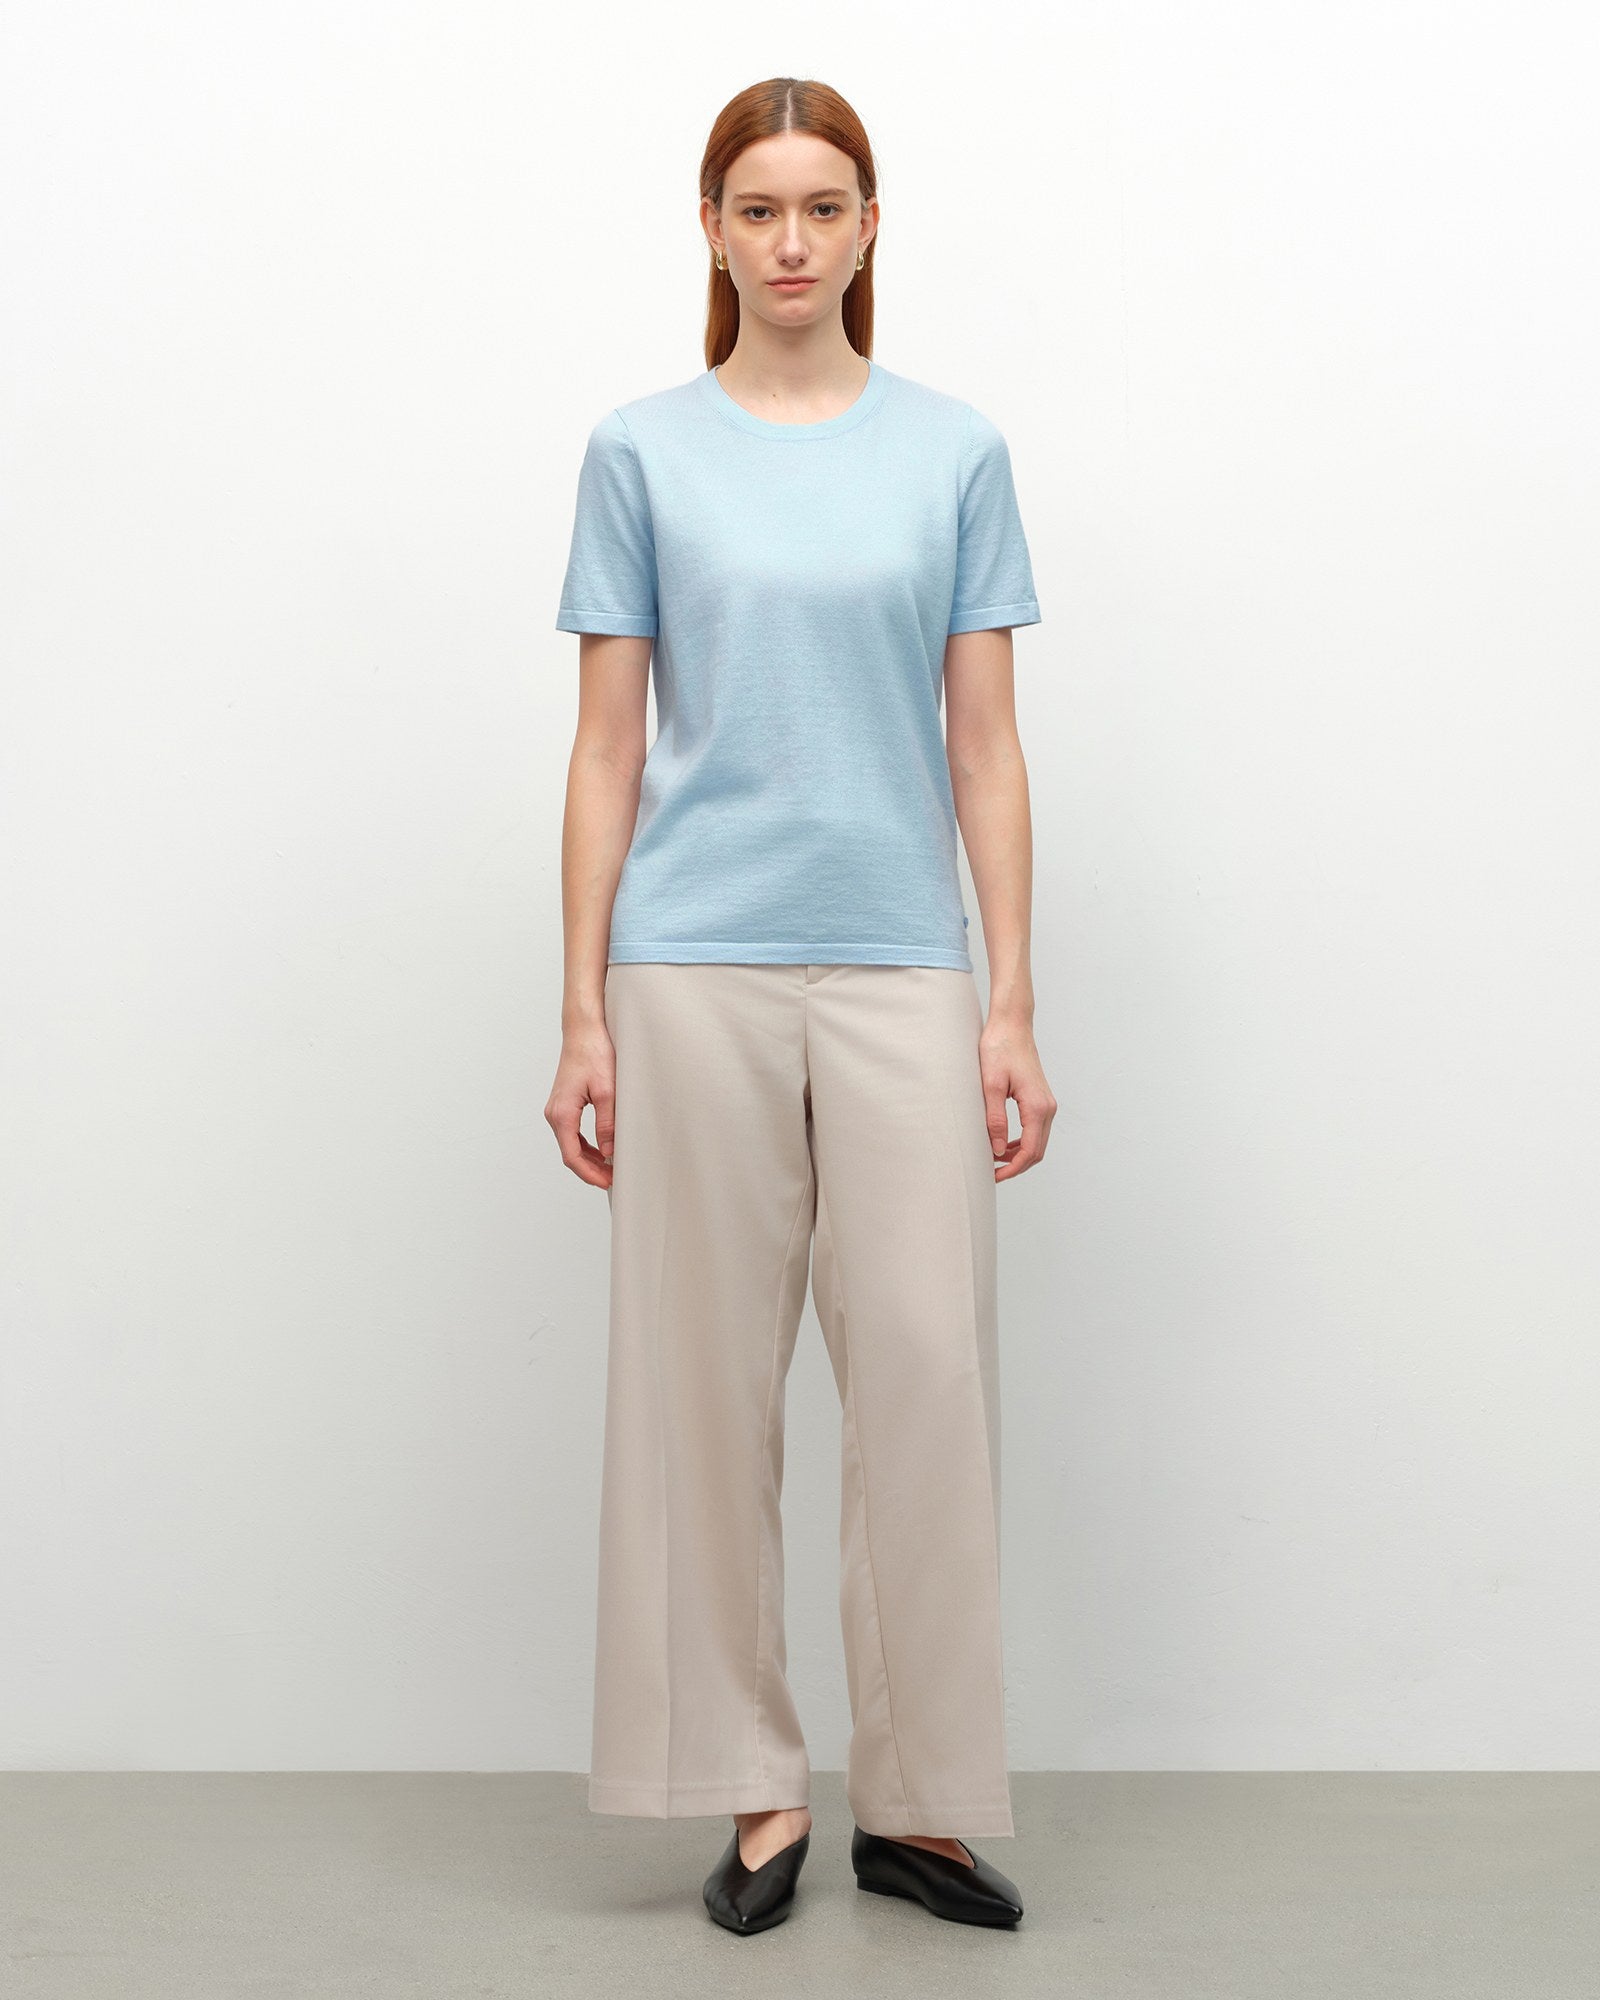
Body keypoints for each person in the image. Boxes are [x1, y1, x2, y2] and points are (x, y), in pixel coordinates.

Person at [545, 75, 1056, 1936]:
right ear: (710, 227)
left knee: (924, 1366)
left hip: (903, 957)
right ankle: (756, 1791)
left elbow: (984, 750)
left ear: (867, 228)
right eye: (755, 208)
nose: (789, 241)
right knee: (704, 1382)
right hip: (690, 963)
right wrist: (582, 1010)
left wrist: (1010, 1003)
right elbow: (608, 749)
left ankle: (919, 1805)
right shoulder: (640, 452)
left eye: (821, 207)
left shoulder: (954, 452)